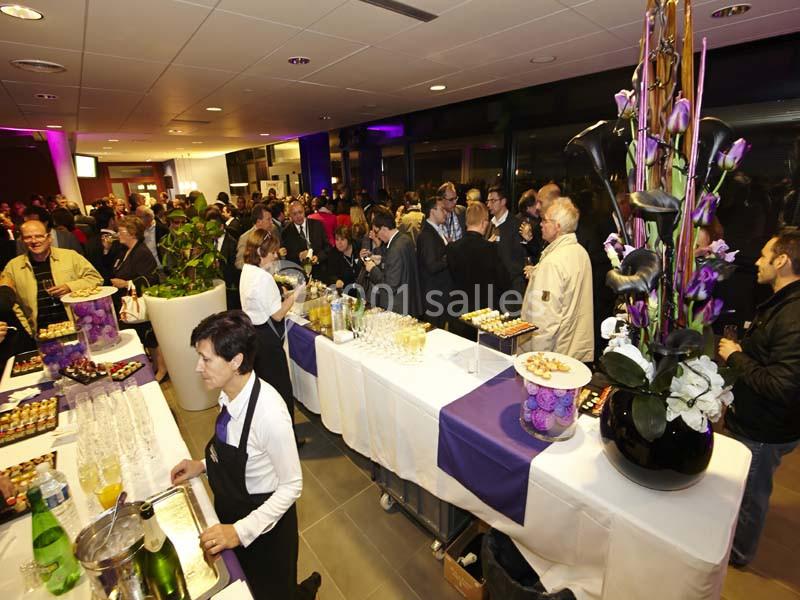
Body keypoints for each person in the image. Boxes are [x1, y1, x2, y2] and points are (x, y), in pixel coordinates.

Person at [170, 311, 320, 600]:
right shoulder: (228, 392)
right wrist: (201, 466)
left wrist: (239, 532)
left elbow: (292, 486)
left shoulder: (270, 414)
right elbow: (241, 453)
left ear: (236, 361)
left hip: (264, 527)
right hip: (232, 510)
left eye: (206, 358)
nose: (197, 368)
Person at [719, 230, 800, 567]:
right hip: (755, 418)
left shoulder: (793, 315)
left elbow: (782, 384)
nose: (756, 261)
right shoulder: (783, 302)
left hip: (765, 429)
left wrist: (736, 357)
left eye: (764, 254)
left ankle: (738, 556)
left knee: (751, 495)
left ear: (781, 261)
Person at [240, 229, 306, 446]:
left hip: (253, 336)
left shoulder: (247, 271)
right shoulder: (263, 277)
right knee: (281, 391)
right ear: (260, 251)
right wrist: (296, 294)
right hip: (267, 339)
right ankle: (288, 441)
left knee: (266, 391)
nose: (275, 256)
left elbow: (261, 302)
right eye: (272, 252)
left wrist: (281, 296)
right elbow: (277, 314)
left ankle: (271, 437)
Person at [521, 197, 594, 361]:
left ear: (558, 226)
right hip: (574, 352)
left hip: (553, 356)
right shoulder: (580, 252)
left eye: (545, 221)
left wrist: (537, 359)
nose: (540, 224)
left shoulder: (553, 262)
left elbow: (545, 320)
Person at [3, 220, 102, 336]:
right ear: (22, 241)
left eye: (39, 236)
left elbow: (96, 279)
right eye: (28, 237)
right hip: (43, 336)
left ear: (49, 238)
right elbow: (12, 303)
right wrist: (28, 330)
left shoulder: (70, 256)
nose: (34, 241)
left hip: (79, 329)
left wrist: (69, 287)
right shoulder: (13, 267)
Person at [109, 215, 167, 382]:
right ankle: (154, 367)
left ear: (132, 233)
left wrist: (126, 283)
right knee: (147, 339)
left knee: (151, 338)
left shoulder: (141, 252)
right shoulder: (125, 251)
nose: (118, 233)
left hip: (138, 304)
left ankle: (161, 370)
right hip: (127, 303)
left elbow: (151, 279)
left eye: (121, 231)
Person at [447, 202, 500, 340]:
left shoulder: (452, 248)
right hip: (482, 313)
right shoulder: (490, 249)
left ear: (466, 222)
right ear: (484, 223)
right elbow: (499, 281)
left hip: (457, 309)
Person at [361, 207, 421, 316]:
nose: (376, 235)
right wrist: (381, 260)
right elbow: (400, 266)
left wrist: (372, 269)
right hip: (409, 302)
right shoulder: (404, 239)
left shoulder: (395, 248)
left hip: (397, 307)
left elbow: (389, 286)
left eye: (376, 231)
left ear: (384, 228)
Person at [485, 185, 527, 301]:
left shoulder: (516, 224)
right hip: (493, 286)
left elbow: (519, 257)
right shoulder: (489, 224)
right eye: (488, 201)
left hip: (512, 286)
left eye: (493, 201)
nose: (489, 205)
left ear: (503, 201)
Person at [416, 196, 452, 327]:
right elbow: (432, 266)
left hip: (438, 294)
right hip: (433, 296)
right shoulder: (427, 235)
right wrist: (451, 255)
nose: (446, 212)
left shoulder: (436, 230)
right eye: (442, 209)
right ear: (432, 211)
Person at [282, 200, 329, 279]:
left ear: (304, 211)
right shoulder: (286, 232)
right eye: (294, 214)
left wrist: (318, 257)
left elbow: (327, 247)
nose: (298, 216)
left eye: (300, 212)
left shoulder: (317, 225)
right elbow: (288, 256)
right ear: (290, 215)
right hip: (299, 275)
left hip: (320, 271)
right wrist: (298, 256)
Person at [205, 207, 240, 310]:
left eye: (212, 229)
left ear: (221, 227)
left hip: (229, 293)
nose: (209, 232)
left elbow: (236, 270)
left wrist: (221, 266)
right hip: (212, 292)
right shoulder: (207, 243)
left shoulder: (233, 243)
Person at [16, 206, 84, 256]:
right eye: (26, 223)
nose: (30, 226)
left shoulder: (67, 236)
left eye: (34, 223)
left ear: (45, 222)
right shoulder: (21, 241)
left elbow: (80, 259)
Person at [235, 204, 276, 270]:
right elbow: (239, 263)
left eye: (271, 219)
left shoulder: (272, 230)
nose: (272, 222)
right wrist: (259, 267)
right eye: (268, 219)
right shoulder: (245, 238)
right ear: (259, 222)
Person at [326, 226, 361, 292]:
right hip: (346, 292)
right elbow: (331, 274)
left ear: (349, 239)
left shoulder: (358, 247)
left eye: (342, 239)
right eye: (337, 239)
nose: (339, 243)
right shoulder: (333, 253)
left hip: (362, 289)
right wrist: (336, 280)